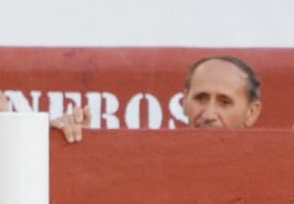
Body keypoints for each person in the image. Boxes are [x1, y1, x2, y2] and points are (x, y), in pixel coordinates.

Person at [53, 55, 262, 142]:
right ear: (183, 103)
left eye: (224, 102)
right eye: (201, 98)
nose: (208, 115)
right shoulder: (149, 162)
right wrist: (80, 145)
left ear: (251, 113)